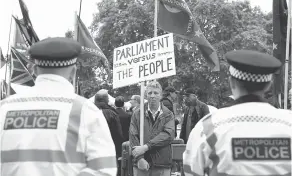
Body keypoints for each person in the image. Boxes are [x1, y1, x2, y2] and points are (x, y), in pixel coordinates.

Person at [0, 37, 117, 176]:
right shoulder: (85, 111)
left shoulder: (4, 108)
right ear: (73, 71)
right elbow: (104, 170)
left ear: (35, 70)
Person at [183, 50, 292, 176]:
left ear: (231, 82)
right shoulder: (288, 123)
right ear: (268, 85)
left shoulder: (209, 126)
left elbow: (190, 171)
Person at [129, 80, 175, 176]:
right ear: (146, 95)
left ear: (161, 95)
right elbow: (133, 136)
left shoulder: (168, 114)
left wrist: (146, 147)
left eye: (156, 93)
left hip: (162, 164)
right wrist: (139, 158)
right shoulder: (137, 113)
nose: (152, 96)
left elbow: (168, 135)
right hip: (141, 165)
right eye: (150, 93)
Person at [94, 90, 124, 160]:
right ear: (106, 100)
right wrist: (119, 152)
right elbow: (118, 134)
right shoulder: (112, 113)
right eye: (107, 98)